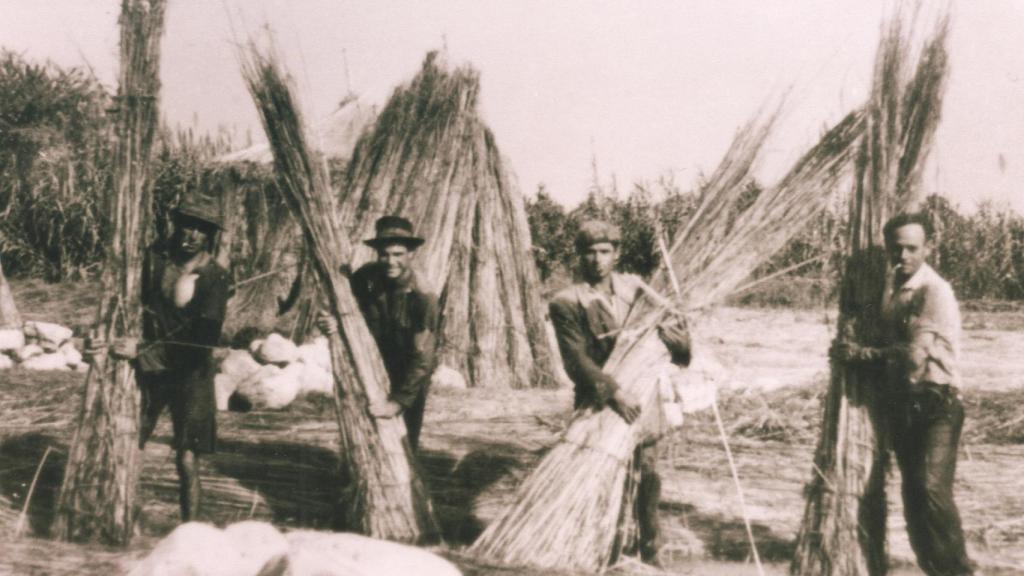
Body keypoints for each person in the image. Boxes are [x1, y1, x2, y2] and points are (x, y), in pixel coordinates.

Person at [833, 212, 974, 576]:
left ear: (929, 248)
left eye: (912, 248)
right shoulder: (892, 289)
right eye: (897, 248)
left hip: (935, 402)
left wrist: (862, 355)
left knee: (931, 492)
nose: (904, 255)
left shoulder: (933, 291)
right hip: (902, 404)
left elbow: (914, 354)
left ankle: (959, 572)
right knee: (913, 501)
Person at [548, 220, 691, 567]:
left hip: (644, 399)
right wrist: (614, 393)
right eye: (589, 252)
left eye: (604, 252)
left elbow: (680, 344)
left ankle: (649, 551)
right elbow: (576, 360)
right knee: (602, 476)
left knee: (647, 476)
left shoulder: (638, 291)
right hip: (599, 401)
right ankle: (603, 550)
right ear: (578, 257)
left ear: (616, 254)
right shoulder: (567, 301)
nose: (597, 260)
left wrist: (682, 344)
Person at [88, 194, 230, 522]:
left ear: (210, 235)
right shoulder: (153, 262)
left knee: (187, 458)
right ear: (175, 225)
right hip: (149, 372)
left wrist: (143, 350)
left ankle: (190, 531)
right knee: (128, 440)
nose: (190, 234)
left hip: (191, 373)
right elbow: (125, 304)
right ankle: (115, 515)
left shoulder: (214, 277)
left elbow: (203, 343)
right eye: (186, 225)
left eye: (200, 229)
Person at [318, 215, 439, 452]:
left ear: (411, 254)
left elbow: (423, 357)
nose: (390, 261)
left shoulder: (423, 297)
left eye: (398, 255)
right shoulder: (366, 278)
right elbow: (347, 311)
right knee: (364, 435)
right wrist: (332, 322)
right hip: (372, 365)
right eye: (385, 254)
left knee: (403, 440)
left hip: (408, 373)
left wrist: (398, 402)